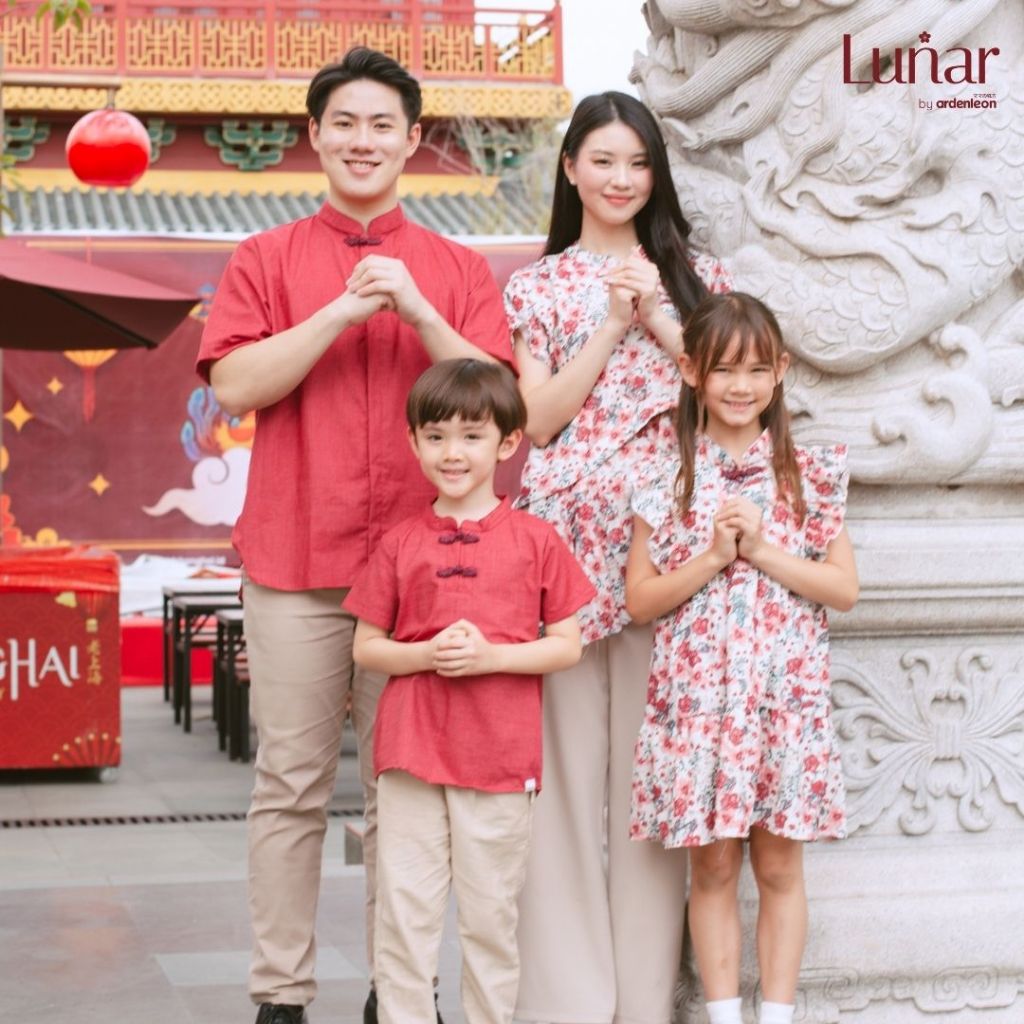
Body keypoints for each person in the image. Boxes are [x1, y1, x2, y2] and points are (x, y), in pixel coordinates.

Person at [196, 48, 513, 1024]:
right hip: (295, 560)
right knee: (289, 784)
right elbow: (235, 385)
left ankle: (398, 991)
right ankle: (281, 993)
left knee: (403, 795)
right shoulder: (264, 259)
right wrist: (340, 309)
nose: (363, 140)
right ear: (315, 136)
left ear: (413, 140)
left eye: (383, 125)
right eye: (345, 123)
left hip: (425, 573)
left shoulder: (457, 269)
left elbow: (500, 399)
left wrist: (414, 306)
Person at [503, 91, 733, 1024]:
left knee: (650, 783)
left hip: (667, 552)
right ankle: (563, 1003)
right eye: (602, 160)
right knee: (559, 783)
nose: (621, 178)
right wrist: (607, 323)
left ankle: (644, 1002)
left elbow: (725, 389)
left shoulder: (700, 277)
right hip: (559, 547)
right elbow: (538, 422)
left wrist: (657, 313)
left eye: (638, 163)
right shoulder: (536, 286)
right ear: (570, 169)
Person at [625, 292, 859, 1024]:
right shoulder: (665, 478)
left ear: (780, 371)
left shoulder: (807, 475)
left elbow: (843, 589)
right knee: (714, 863)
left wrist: (760, 549)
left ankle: (778, 1017)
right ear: (691, 371)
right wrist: (712, 557)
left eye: (757, 369)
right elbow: (639, 600)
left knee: (780, 864)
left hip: (783, 705)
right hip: (699, 709)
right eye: (724, 369)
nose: (741, 385)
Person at [342, 358, 595, 1024]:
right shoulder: (399, 543)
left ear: (508, 443)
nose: (452, 452)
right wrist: (425, 654)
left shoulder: (537, 540)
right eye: (436, 436)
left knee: (489, 921)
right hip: (408, 752)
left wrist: (491, 658)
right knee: (404, 918)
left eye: (471, 436)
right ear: (414, 442)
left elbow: (567, 645)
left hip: (501, 760)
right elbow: (366, 647)